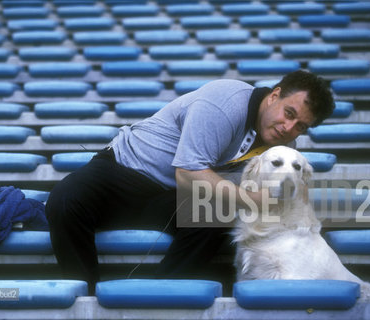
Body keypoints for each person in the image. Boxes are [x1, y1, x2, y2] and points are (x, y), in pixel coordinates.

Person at [45, 70, 335, 291]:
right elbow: (188, 174)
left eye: (300, 126)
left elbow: (288, 198)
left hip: (170, 197)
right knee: (65, 199)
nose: (288, 128)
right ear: (274, 95)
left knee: (215, 216)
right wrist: (254, 199)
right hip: (124, 170)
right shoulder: (226, 101)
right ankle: (86, 298)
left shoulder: (283, 152)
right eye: (289, 113)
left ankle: (156, 298)